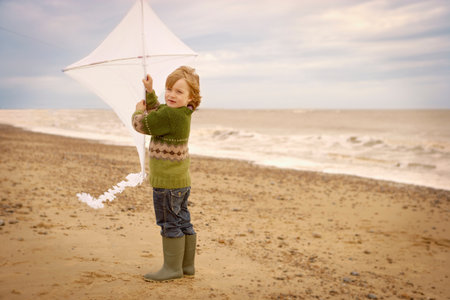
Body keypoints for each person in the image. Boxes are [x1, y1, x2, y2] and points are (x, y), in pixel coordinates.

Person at [132, 66, 201, 281]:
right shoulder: (182, 112)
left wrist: (137, 110)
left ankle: (172, 269)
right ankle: (186, 266)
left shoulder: (170, 115)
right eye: (169, 89)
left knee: (169, 224)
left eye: (179, 92)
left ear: (191, 97)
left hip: (167, 184)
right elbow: (160, 111)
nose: (171, 95)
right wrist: (150, 92)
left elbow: (144, 124)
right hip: (180, 181)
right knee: (182, 221)